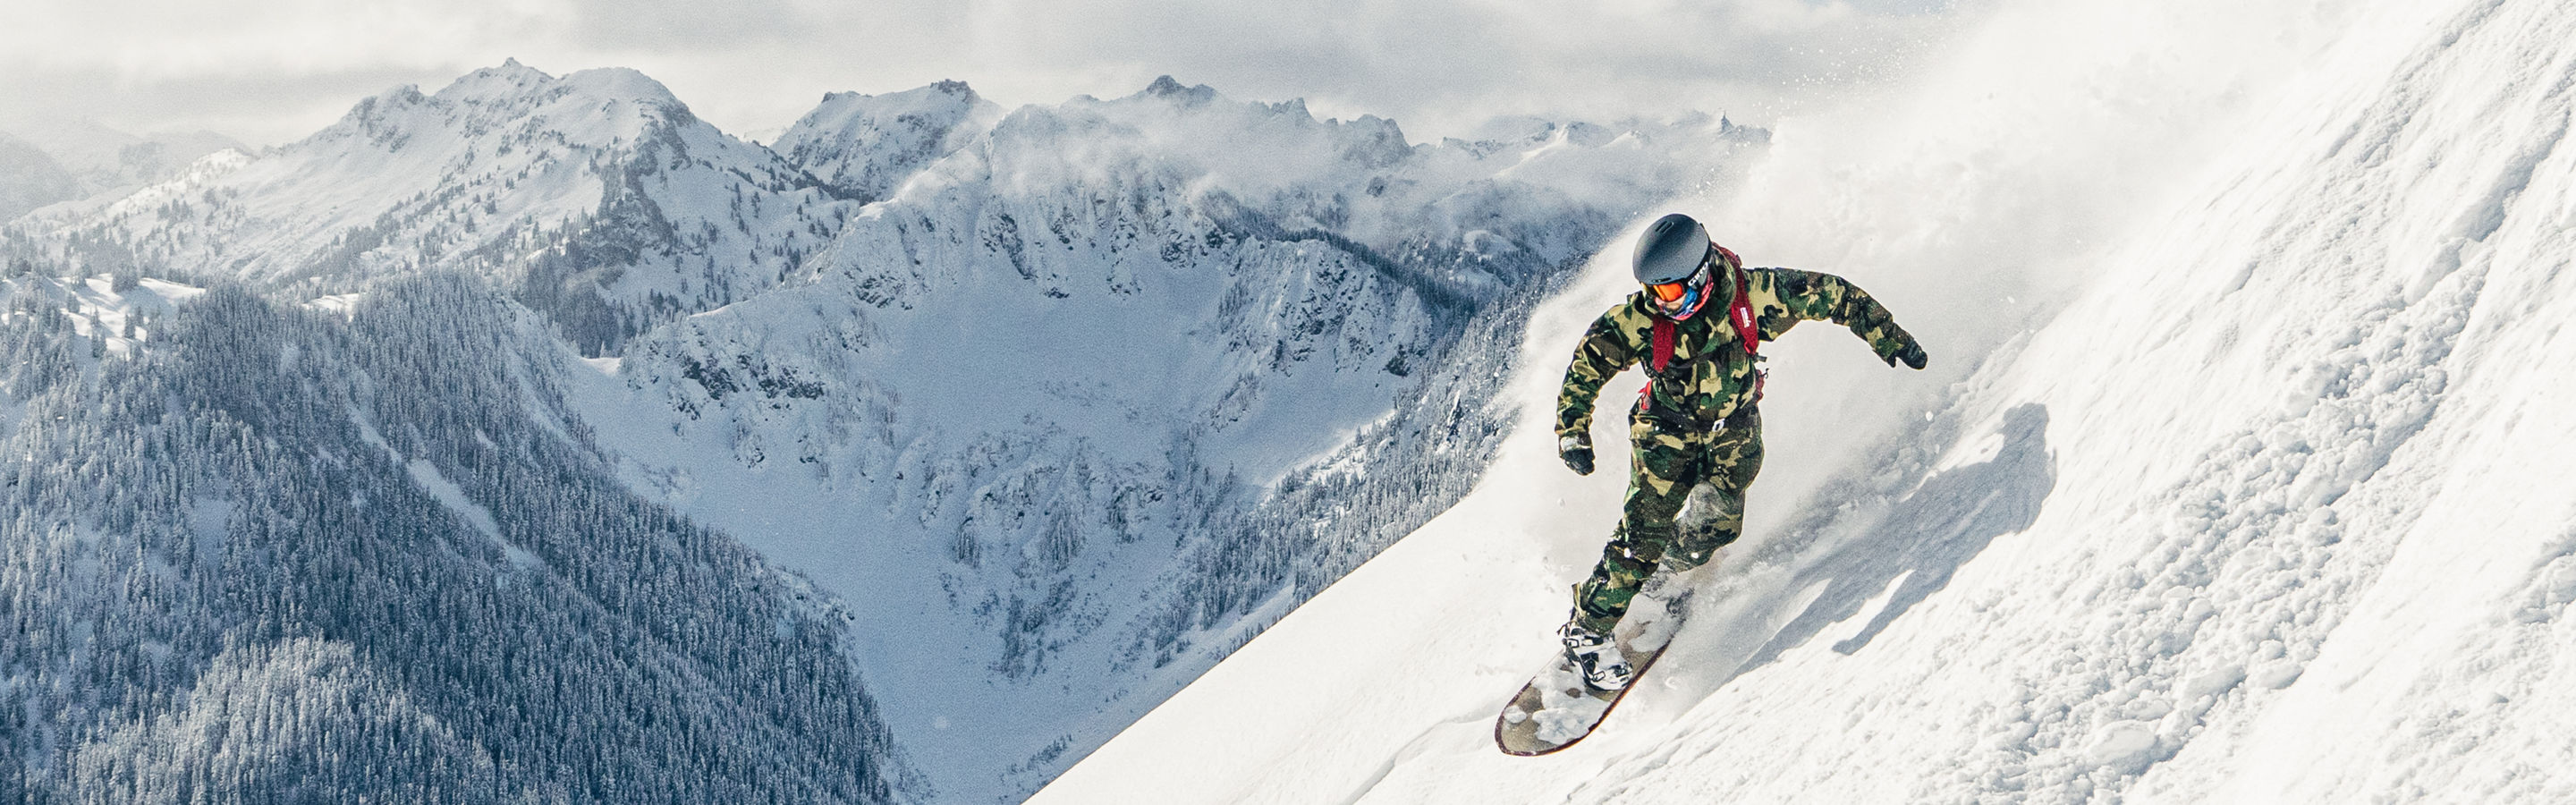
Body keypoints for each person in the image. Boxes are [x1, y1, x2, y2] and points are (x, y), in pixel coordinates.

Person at [1552, 212, 1928, 691]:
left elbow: (1833, 294)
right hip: (1667, 434)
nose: (1661, 302)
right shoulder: (1641, 319)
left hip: (1734, 430)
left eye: (1670, 292)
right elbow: (1587, 365)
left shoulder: (1754, 296)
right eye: (1654, 292)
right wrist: (1572, 431)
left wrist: (1885, 332)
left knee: (1718, 527)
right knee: (1642, 535)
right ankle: (1587, 630)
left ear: (1702, 274)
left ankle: (1664, 574)